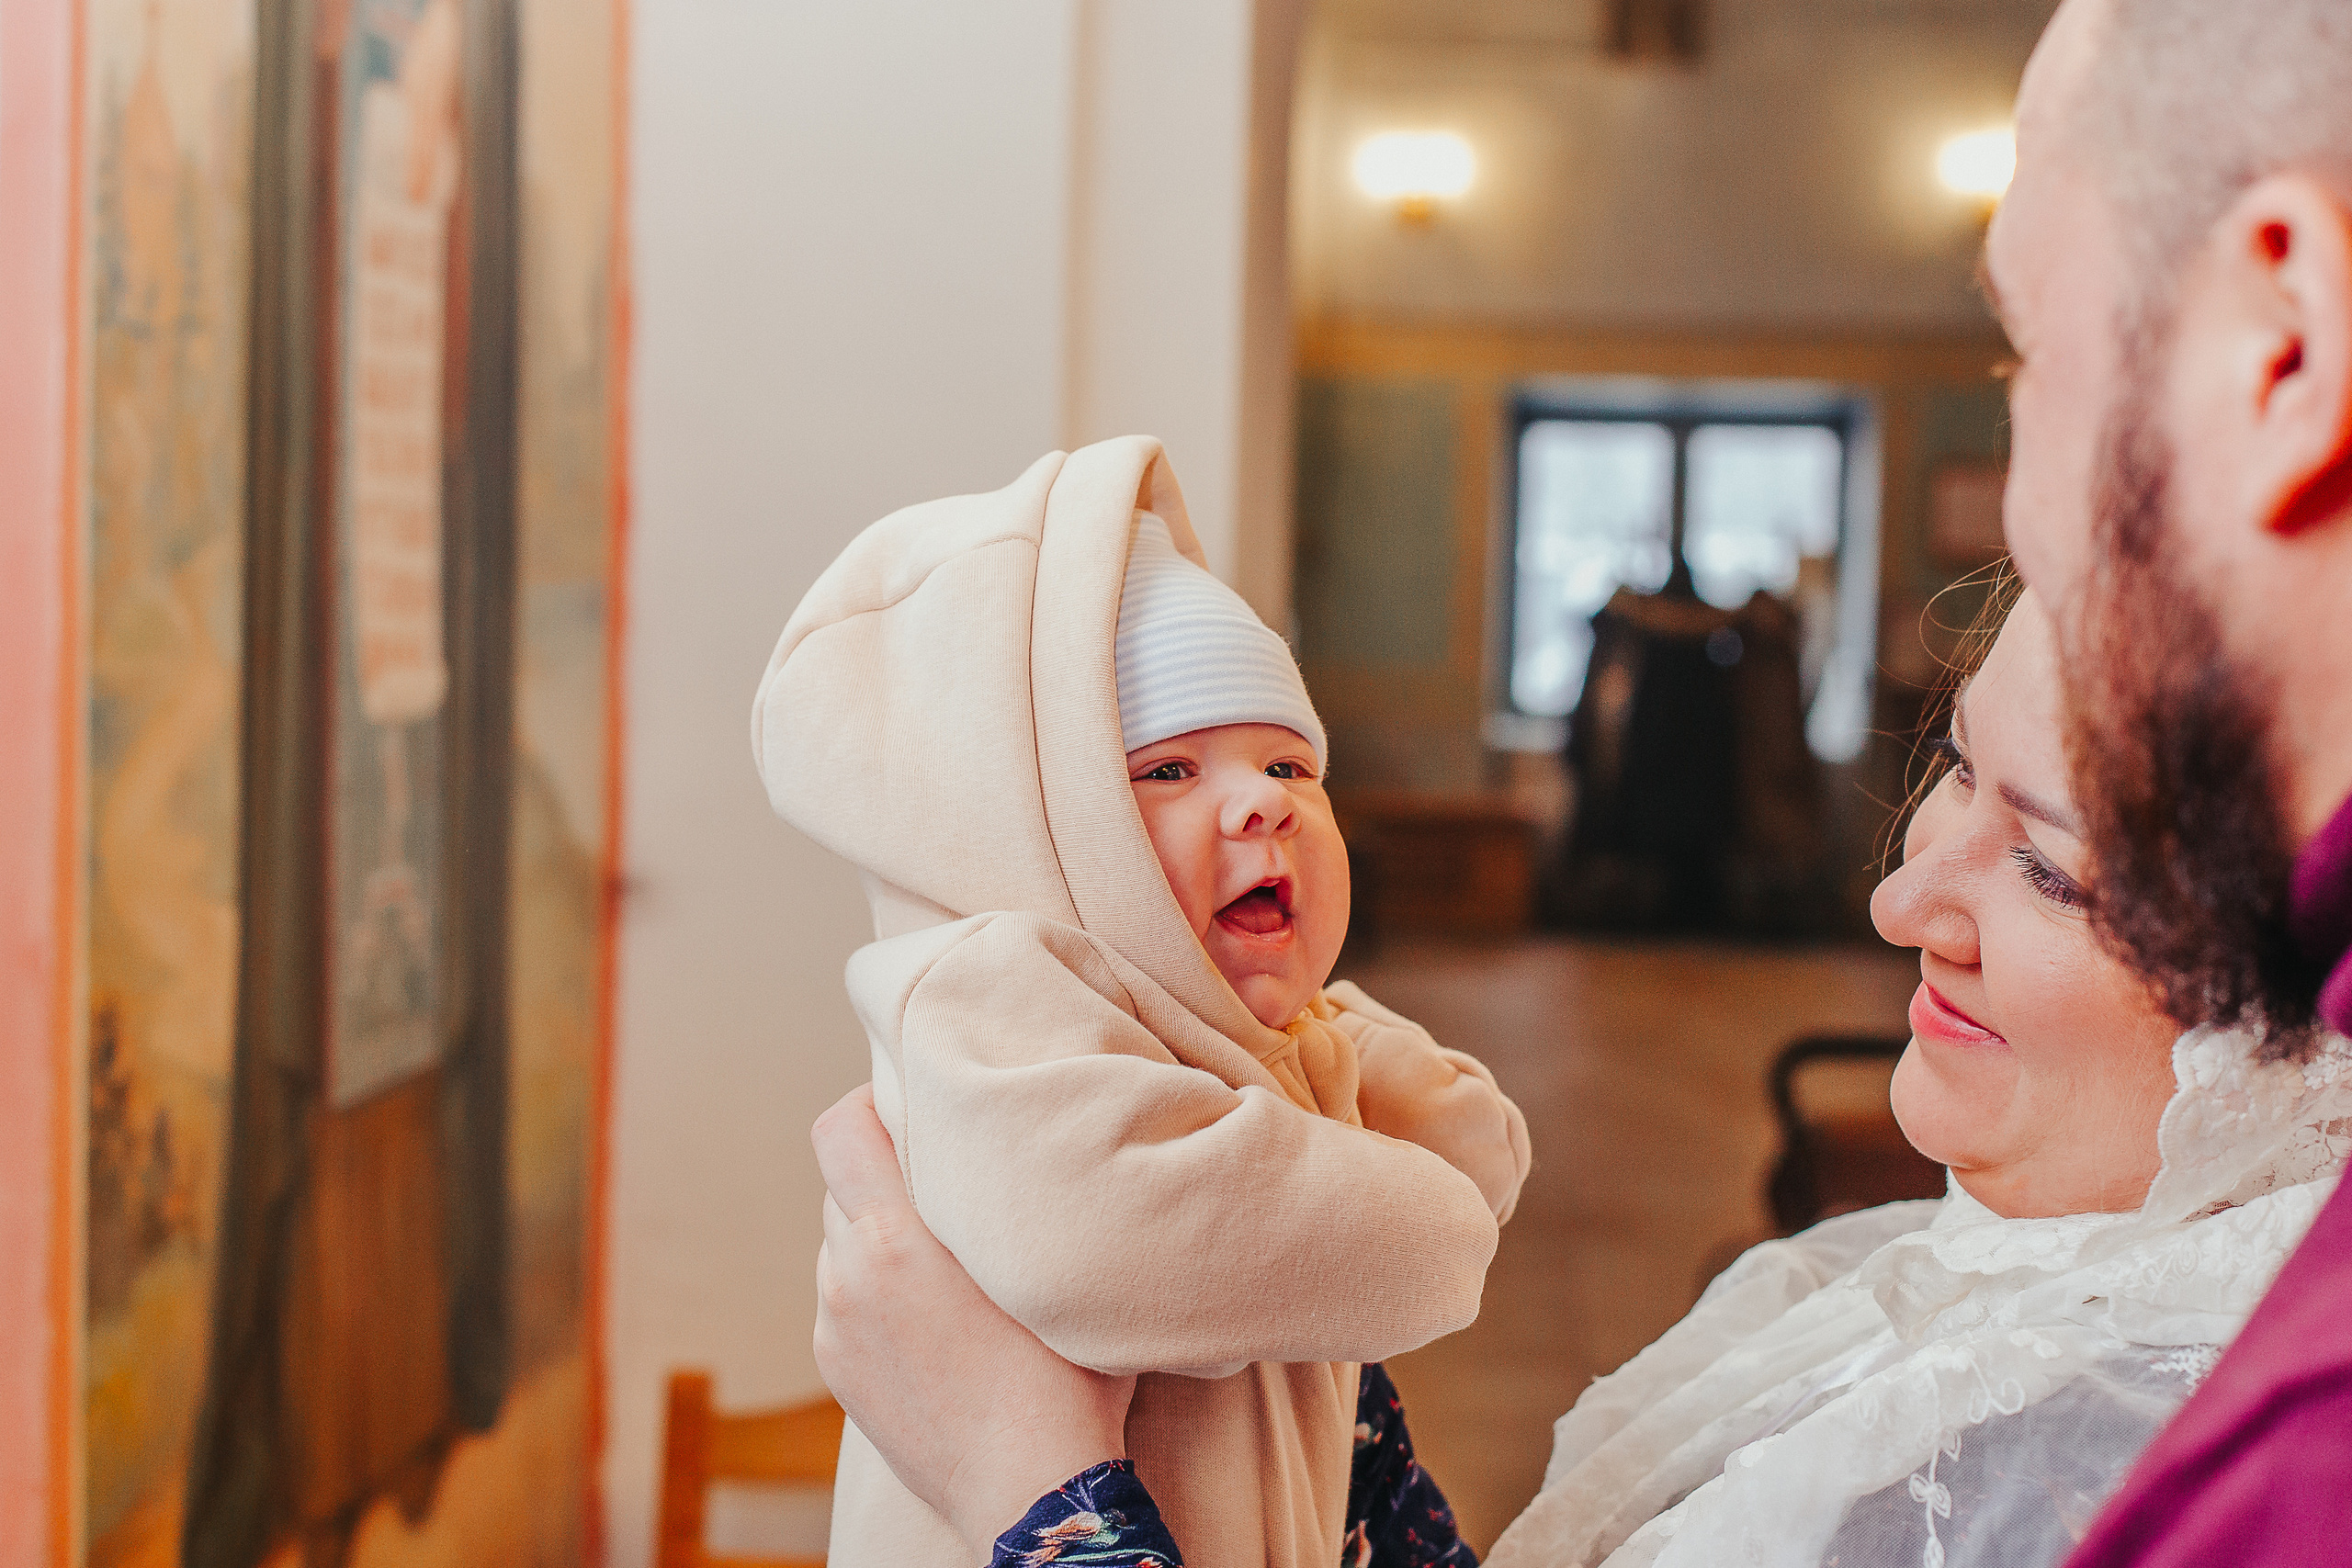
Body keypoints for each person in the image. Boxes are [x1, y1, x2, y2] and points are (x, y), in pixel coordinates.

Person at [808, 591, 2352, 1567]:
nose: (1902, 896)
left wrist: (1041, 1492)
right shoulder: (1976, 1282)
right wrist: (1331, 1408)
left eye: (2052, 866)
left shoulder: (2170, 1461)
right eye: (1951, 766)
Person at [753, 435, 1530, 1568]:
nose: (1260, 806)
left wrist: (1355, 1067)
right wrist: (1434, 1217)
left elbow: (1479, 1154)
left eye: (1290, 766)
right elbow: (1104, 1236)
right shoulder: (982, 1002)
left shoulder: (1232, 1040)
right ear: (1037, 838)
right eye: (1168, 771)